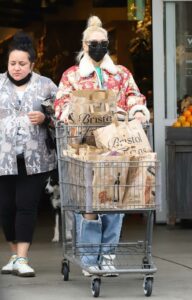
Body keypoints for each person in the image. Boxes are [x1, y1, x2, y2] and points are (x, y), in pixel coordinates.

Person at [54, 16, 150, 276]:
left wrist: (138, 111)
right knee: (89, 202)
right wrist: (73, 113)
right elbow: (61, 103)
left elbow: (134, 96)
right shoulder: (72, 76)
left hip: (116, 146)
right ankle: (88, 257)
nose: (98, 47)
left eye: (103, 43)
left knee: (114, 201)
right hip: (84, 148)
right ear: (84, 46)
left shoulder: (120, 73)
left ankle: (107, 255)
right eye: (93, 43)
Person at [0, 32, 57, 277]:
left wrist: (46, 118)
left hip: (35, 159)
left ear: (32, 64)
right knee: (5, 207)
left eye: (22, 64)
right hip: (3, 158)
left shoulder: (45, 85)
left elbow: (64, 116)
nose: (17, 68)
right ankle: (14, 255)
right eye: (13, 63)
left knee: (26, 205)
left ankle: (22, 258)